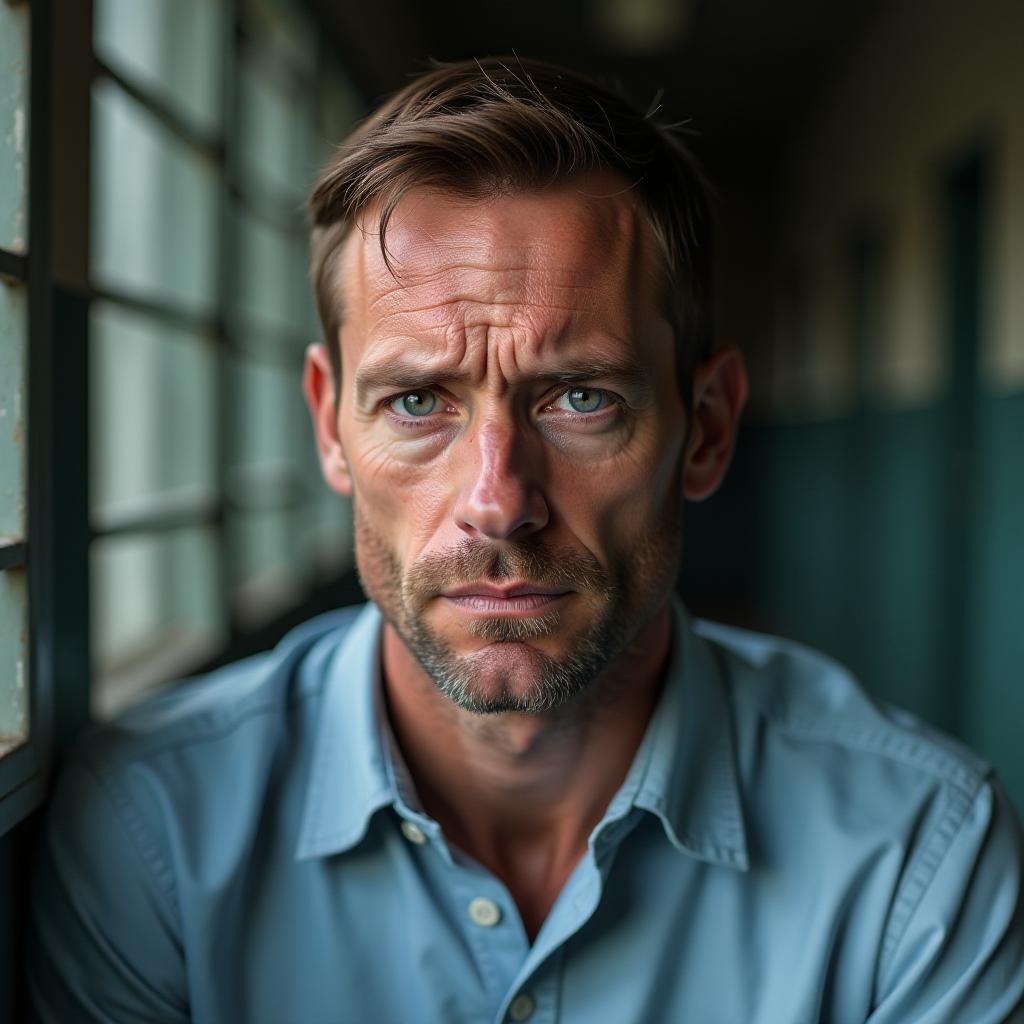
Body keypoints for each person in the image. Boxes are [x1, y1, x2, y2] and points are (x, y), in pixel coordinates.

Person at [29, 57, 1024, 1023]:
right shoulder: (149, 827)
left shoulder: (916, 847)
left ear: (706, 429)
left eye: (581, 398)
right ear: (332, 427)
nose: (497, 501)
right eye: (418, 401)